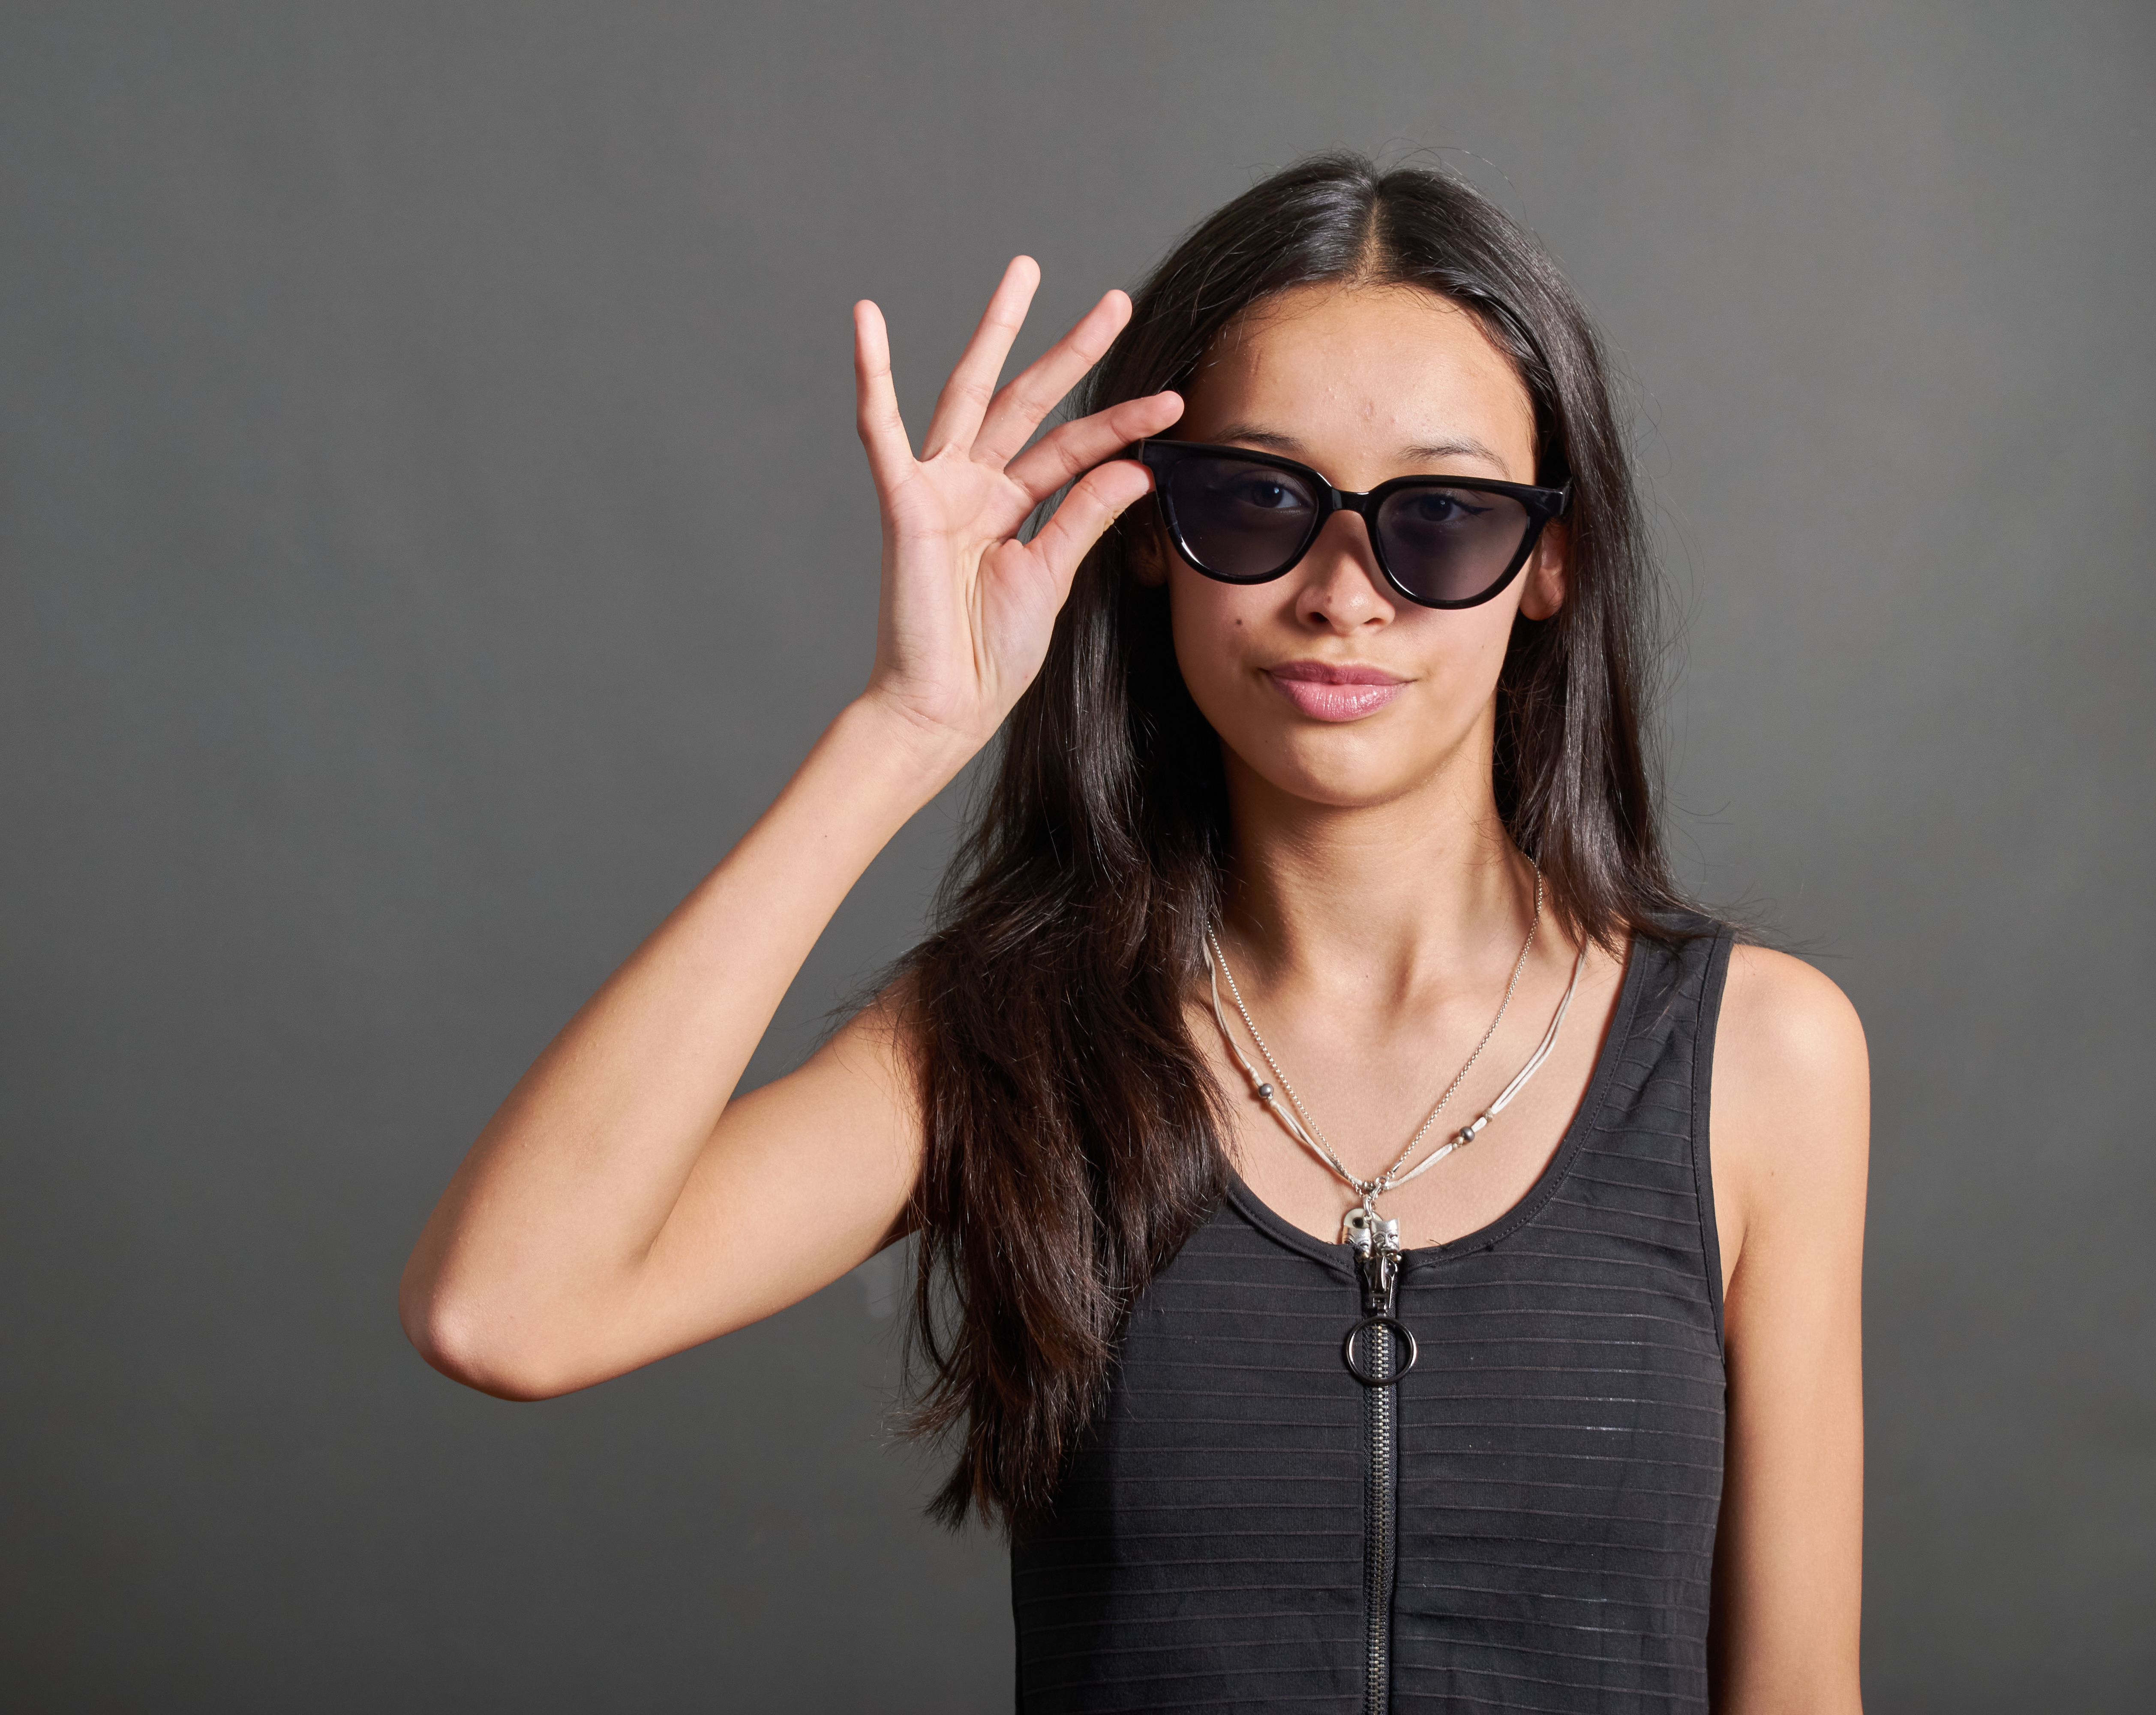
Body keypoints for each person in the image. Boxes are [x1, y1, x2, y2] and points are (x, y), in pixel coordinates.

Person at [400, 154, 1868, 1713]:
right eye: (1258, 500)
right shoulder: (1012, 1036)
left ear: (1550, 560)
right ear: (1154, 535)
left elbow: (1797, 1695)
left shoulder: (1756, 1057)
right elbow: (507, 1308)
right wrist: (903, 730)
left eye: (1442, 519)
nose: (1345, 593)